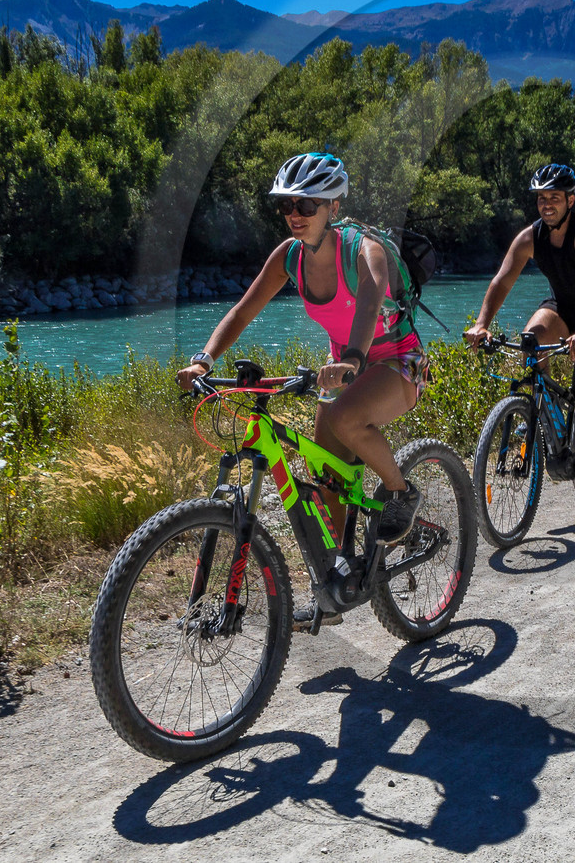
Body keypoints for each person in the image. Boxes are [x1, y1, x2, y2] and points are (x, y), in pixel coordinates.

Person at [175, 151, 430, 626]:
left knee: (344, 419)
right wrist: (203, 359)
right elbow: (242, 312)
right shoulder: (288, 257)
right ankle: (334, 581)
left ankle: (401, 492)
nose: (295, 214)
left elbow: (372, 298)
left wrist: (351, 359)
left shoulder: (361, 249)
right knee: (324, 467)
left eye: (307, 205)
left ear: (333, 208)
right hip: (345, 369)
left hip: (397, 360)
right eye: (288, 205)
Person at [465, 164, 575, 501]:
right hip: (562, 306)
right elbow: (502, 279)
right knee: (530, 340)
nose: (547, 204)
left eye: (554, 197)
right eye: (541, 198)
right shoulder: (530, 237)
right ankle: (544, 415)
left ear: (571, 199)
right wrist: (482, 324)